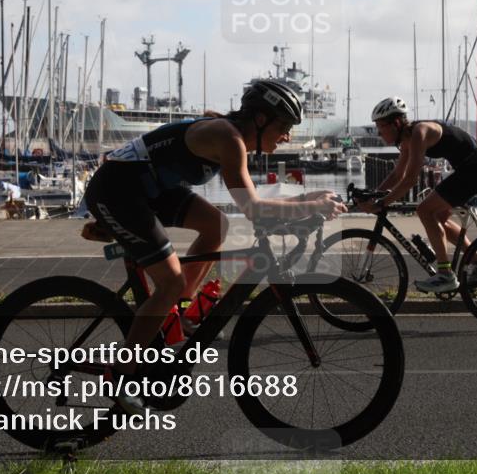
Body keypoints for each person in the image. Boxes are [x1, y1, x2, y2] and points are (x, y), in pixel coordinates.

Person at [82, 79, 347, 412]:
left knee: (216, 225)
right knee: (170, 281)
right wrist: (309, 205)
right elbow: (253, 208)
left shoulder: (231, 136)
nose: (287, 136)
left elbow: (251, 202)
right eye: (283, 126)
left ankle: (177, 312)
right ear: (260, 119)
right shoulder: (229, 139)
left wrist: (306, 199)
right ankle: (122, 374)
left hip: (149, 189)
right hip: (118, 189)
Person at [358, 97, 477, 293]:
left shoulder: (419, 133)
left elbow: (409, 180)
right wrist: (373, 194)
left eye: (381, 127)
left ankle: (445, 275)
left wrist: (382, 203)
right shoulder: (407, 139)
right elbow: (397, 174)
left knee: (424, 210)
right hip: (468, 169)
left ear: (396, 123)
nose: (379, 132)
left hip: (476, 169)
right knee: (438, 217)